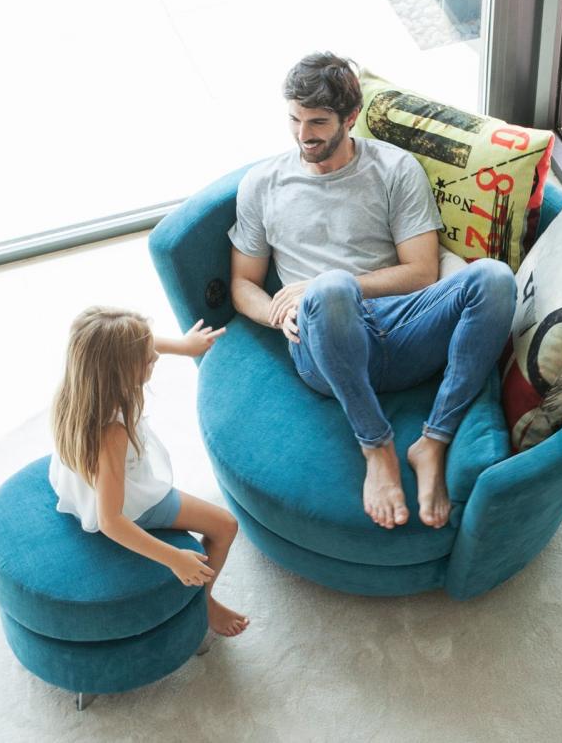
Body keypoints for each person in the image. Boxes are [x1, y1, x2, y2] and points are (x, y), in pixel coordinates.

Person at [229, 52, 516, 531]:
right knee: (331, 290)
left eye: (318, 122)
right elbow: (242, 284)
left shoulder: (394, 168)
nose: (303, 135)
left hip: (404, 331)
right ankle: (376, 447)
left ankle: (434, 441)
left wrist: (329, 284)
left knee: (494, 278)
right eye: (295, 120)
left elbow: (422, 272)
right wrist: (280, 313)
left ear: (351, 118)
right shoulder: (262, 184)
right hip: (323, 346)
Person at [50, 306, 250, 637]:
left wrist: (183, 346)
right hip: (127, 504)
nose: (155, 357)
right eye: (147, 359)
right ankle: (205, 601)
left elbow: (136, 343)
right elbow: (111, 521)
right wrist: (175, 558)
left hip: (77, 482)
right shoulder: (112, 434)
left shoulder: (81, 384)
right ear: (121, 370)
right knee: (225, 525)